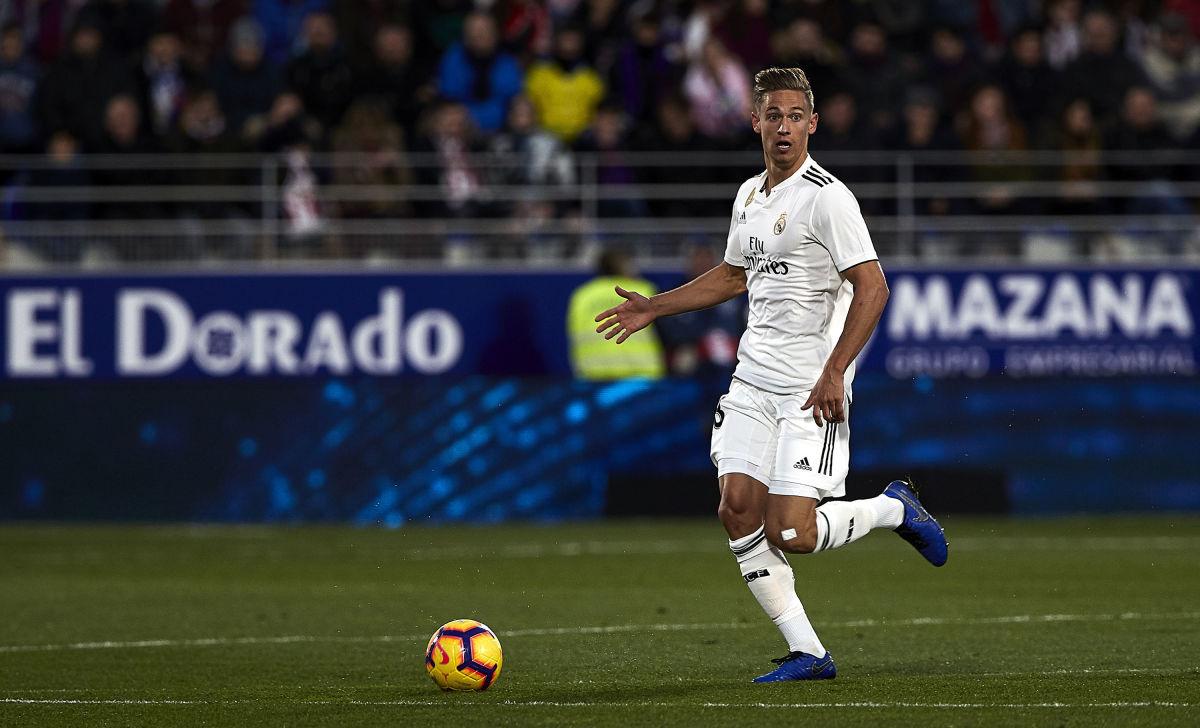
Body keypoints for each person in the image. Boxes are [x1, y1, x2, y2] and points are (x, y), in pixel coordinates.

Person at [594, 67, 947, 682]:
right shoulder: (749, 196)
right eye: (772, 115)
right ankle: (810, 652)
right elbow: (733, 276)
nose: (783, 126)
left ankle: (895, 509)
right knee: (736, 508)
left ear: (812, 124)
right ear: (755, 122)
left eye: (794, 116)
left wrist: (837, 370)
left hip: (811, 388)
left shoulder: (827, 198)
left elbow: (873, 287)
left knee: (792, 532)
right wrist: (656, 306)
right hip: (752, 380)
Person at [569, 248, 665, 381]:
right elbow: (668, 334)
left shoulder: (582, 295)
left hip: (593, 378)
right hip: (641, 378)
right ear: (624, 265)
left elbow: (573, 335)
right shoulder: (643, 291)